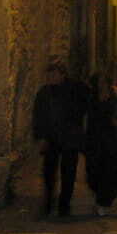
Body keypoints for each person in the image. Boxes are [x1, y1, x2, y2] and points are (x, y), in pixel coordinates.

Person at [31, 58, 89, 218]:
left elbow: (89, 102)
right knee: (49, 173)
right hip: (52, 139)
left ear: (62, 74)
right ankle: (48, 203)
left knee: (68, 173)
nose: (50, 77)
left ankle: (64, 204)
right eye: (49, 74)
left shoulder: (76, 88)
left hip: (70, 138)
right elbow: (38, 116)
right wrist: (41, 137)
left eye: (54, 74)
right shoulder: (44, 93)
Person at [85, 65, 117, 216]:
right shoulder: (91, 97)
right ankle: (99, 196)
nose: (102, 85)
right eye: (100, 82)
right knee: (94, 170)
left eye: (105, 82)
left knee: (110, 170)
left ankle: (104, 201)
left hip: (111, 139)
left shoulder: (116, 95)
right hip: (95, 138)